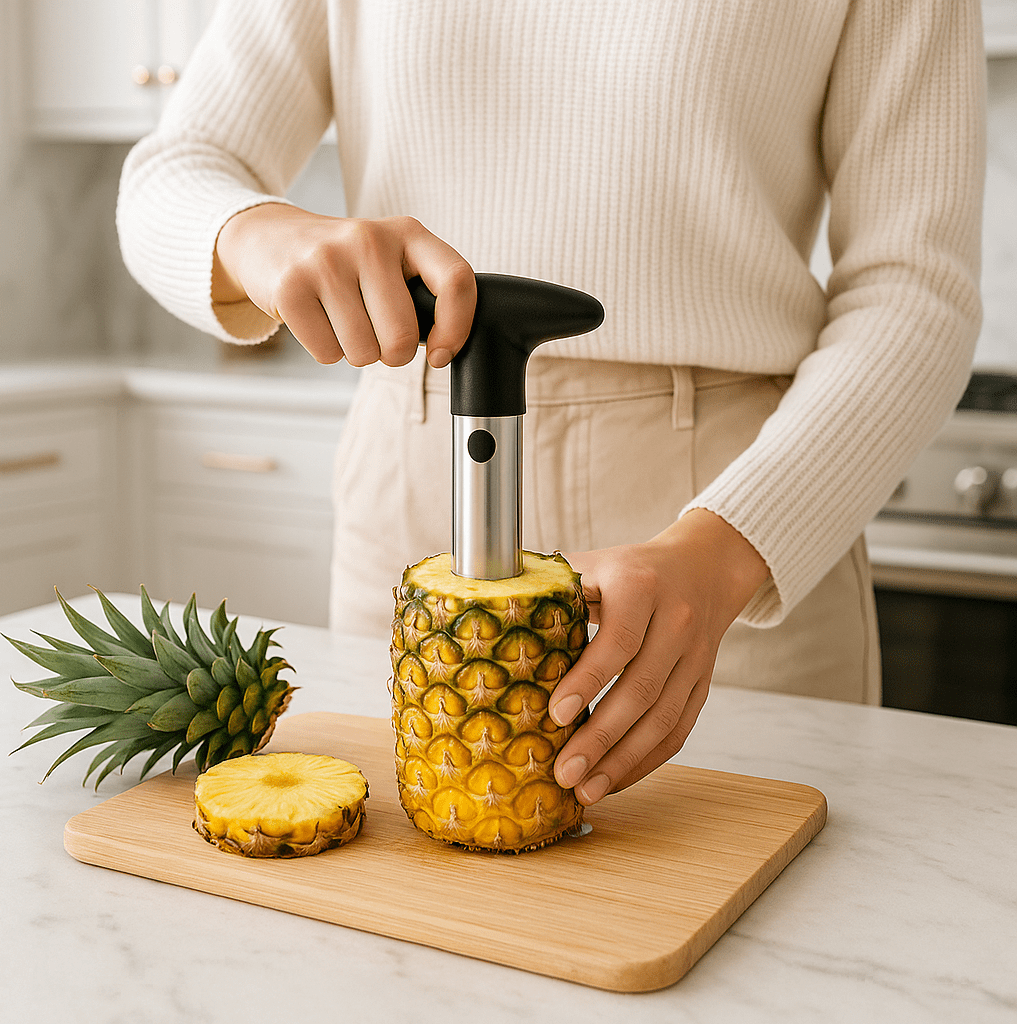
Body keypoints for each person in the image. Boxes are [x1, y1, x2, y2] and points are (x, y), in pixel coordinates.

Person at [117, 0, 986, 808]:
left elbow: (915, 289)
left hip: (724, 524)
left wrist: (725, 554)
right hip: (413, 483)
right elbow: (176, 170)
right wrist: (258, 233)